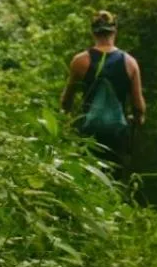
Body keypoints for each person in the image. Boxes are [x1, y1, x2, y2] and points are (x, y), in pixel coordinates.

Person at [60, 10, 146, 171]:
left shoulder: (80, 61)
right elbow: (138, 106)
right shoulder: (130, 62)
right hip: (117, 133)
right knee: (115, 177)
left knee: (88, 175)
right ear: (115, 31)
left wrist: (66, 118)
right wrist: (139, 118)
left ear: (93, 32)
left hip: (89, 131)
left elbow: (66, 100)